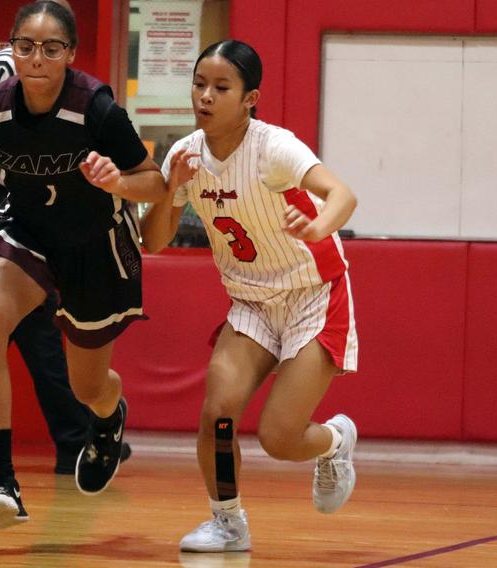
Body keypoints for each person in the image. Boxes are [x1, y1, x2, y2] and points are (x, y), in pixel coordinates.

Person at [0, 0, 165, 529]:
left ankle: (108, 419)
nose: (37, 57)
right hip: (29, 232)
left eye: (50, 48)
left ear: (70, 54)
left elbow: (153, 181)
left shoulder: (98, 108)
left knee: (88, 388)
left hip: (95, 244)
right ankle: (0, 481)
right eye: (25, 46)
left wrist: (117, 182)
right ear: (10, 48)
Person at [140, 40, 360, 553]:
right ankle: (227, 522)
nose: (205, 96)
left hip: (312, 295)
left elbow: (343, 195)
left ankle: (334, 441)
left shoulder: (274, 147)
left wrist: (316, 226)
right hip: (250, 302)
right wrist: (171, 189)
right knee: (218, 411)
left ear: (250, 98)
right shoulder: (184, 155)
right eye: (199, 84)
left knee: (280, 439)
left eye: (221, 87)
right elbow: (153, 240)